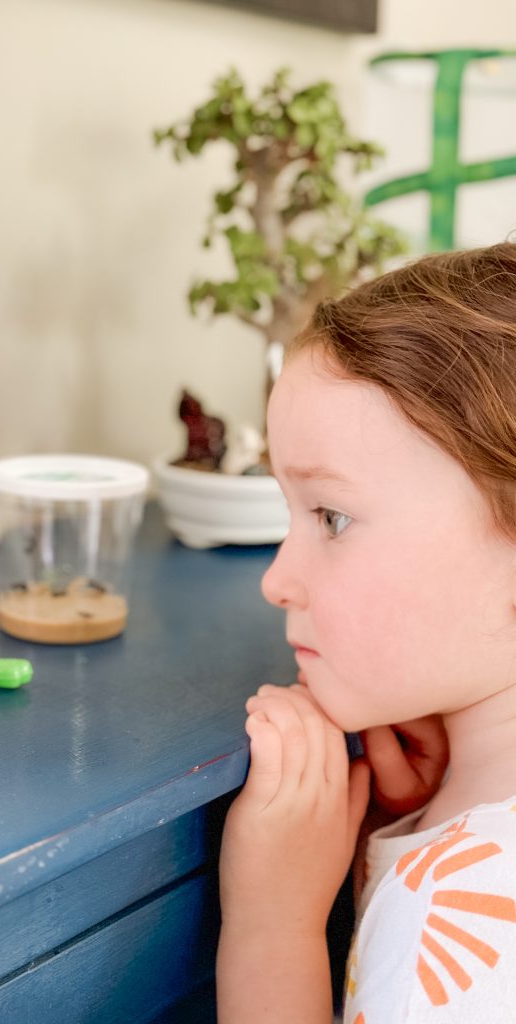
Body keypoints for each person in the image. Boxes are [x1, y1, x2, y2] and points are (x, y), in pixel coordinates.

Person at [217, 242, 516, 1023]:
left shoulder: (452, 925)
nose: (276, 580)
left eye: (332, 517)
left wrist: (272, 928)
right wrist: (405, 833)